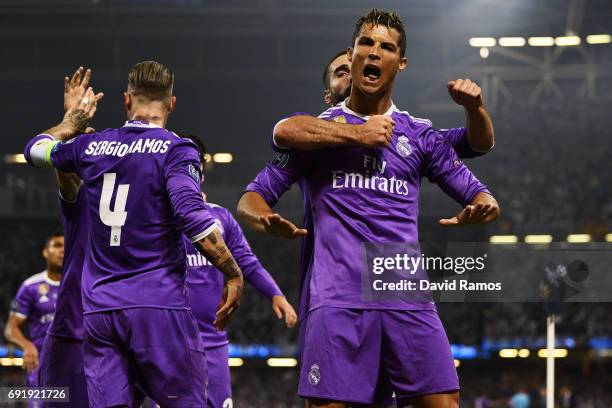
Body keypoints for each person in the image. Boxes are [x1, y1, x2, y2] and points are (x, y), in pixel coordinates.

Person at [239, 9, 500, 408]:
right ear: (353, 52)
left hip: (403, 293)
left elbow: (478, 184)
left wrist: (483, 205)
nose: (374, 53)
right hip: (338, 295)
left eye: (387, 47)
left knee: (445, 402)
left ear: (401, 62)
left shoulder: (418, 134)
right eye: (367, 43)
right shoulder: (319, 134)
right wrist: (262, 218)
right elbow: (252, 197)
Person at [24, 60, 244, 408]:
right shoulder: (177, 149)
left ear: (126, 100)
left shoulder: (92, 149)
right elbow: (190, 212)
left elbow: (34, 150)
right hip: (158, 307)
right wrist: (232, 272)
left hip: (99, 313)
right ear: (172, 104)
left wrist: (69, 124)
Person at [182, 134, 298, 408]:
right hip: (168, 339)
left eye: (194, 161)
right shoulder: (157, 216)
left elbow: (247, 262)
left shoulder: (221, 217)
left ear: (202, 167)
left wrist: (275, 294)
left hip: (213, 338)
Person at [35, 67, 94, 408]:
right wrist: (70, 124)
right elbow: (63, 168)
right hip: (69, 335)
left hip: (112, 332)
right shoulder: (80, 199)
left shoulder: (135, 203)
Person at [5, 233, 62, 407]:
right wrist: (27, 345)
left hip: (77, 363)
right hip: (42, 364)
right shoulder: (31, 286)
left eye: (66, 246)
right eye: (57, 245)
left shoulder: (81, 284)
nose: (63, 251)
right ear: (46, 252)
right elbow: (10, 328)